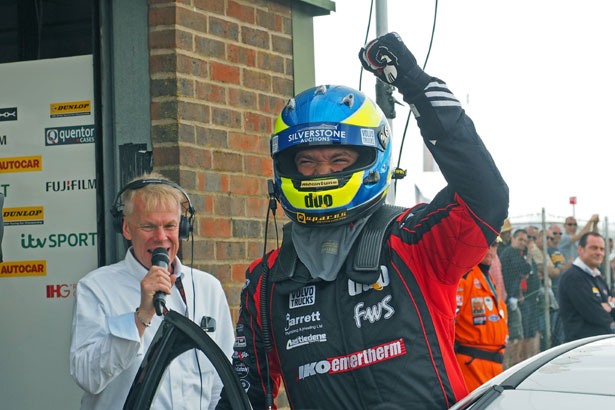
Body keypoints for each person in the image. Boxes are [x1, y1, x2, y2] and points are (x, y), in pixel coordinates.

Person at [216, 32, 508, 410]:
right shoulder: (267, 281)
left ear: (372, 158)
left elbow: (486, 196)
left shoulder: (414, 241)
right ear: (285, 168)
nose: (322, 171)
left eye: (339, 160)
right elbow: (245, 395)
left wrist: (416, 86)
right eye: (307, 162)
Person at [69, 173, 235, 410]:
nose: (161, 237)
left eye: (170, 226)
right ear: (126, 228)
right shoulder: (96, 288)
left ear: (184, 228)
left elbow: (223, 380)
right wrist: (140, 317)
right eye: (148, 226)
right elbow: (88, 377)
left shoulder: (207, 288)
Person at [454, 240, 508, 392]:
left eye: (495, 246)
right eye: (488, 244)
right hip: (471, 365)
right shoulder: (465, 277)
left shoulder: (488, 277)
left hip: (493, 365)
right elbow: (449, 322)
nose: (491, 250)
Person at [558, 232, 615, 342]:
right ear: (580, 250)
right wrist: (608, 306)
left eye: (602, 249)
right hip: (582, 348)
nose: (599, 252)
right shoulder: (573, 277)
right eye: (593, 248)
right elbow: (594, 314)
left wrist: (608, 305)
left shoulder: (597, 276)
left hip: (601, 344)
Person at [499, 229, 532, 367]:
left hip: (511, 297)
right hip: (506, 299)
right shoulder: (511, 253)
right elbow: (525, 269)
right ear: (513, 239)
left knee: (516, 334)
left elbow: (522, 273)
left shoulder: (514, 253)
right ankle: (507, 365)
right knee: (514, 335)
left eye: (525, 241)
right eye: (520, 240)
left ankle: (508, 364)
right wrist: (529, 254)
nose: (522, 243)